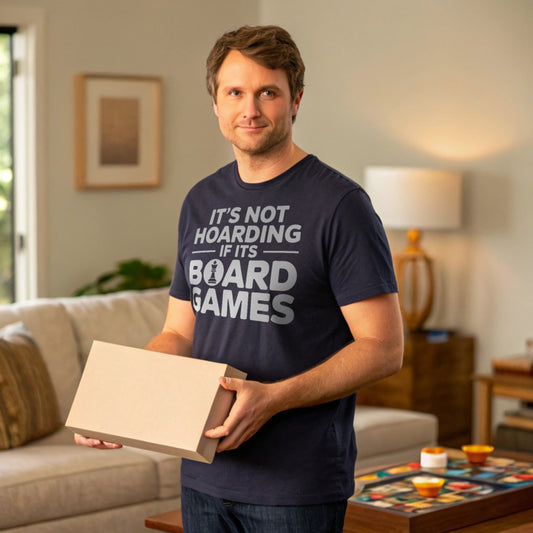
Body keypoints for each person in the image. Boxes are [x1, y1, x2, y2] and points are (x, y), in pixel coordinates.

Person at [76, 24, 403, 532]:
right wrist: (122, 403)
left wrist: (274, 398)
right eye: (235, 92)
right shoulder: (200, 202)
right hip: (204, 474)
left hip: (296, 485)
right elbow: (180, 332)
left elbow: (383, 347)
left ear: (295, 100)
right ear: (215, 102)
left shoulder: (340, 205)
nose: (249, 109)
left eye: (267, 92)